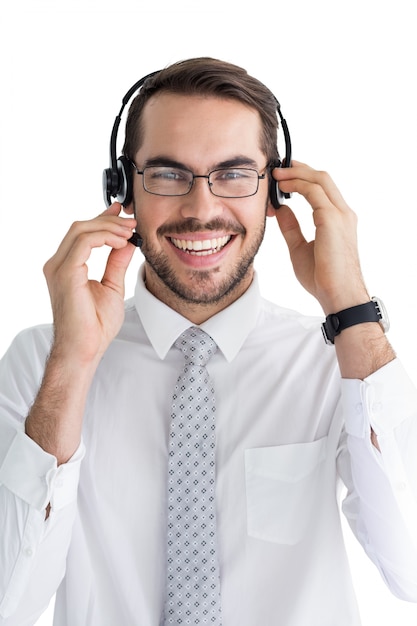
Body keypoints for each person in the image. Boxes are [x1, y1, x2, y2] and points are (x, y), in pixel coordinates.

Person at [0, 57, 416, 626]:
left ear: (276, 188)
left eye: (234, 174)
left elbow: (411, 569)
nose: (201, 210)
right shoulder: (42, 364)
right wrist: (73, 364)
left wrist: (351, 309)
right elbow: (8, 599)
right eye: (168, 175)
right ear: (122, 188)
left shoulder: (334, 361)